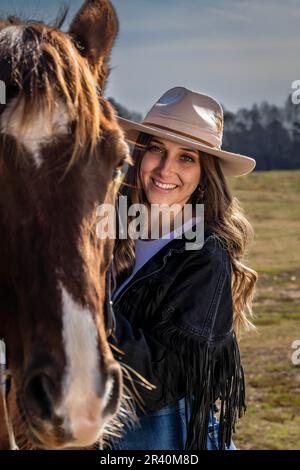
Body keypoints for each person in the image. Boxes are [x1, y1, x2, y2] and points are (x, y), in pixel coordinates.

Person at [107, 87, 257, 450]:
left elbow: (160, 379)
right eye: (156, 148)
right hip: (98, 429)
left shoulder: (205, 255)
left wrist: (87, 307)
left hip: (163, 439)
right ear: (140, 152)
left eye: (186, 158)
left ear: (205, 173)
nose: (165, 169)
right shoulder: (111, 224)